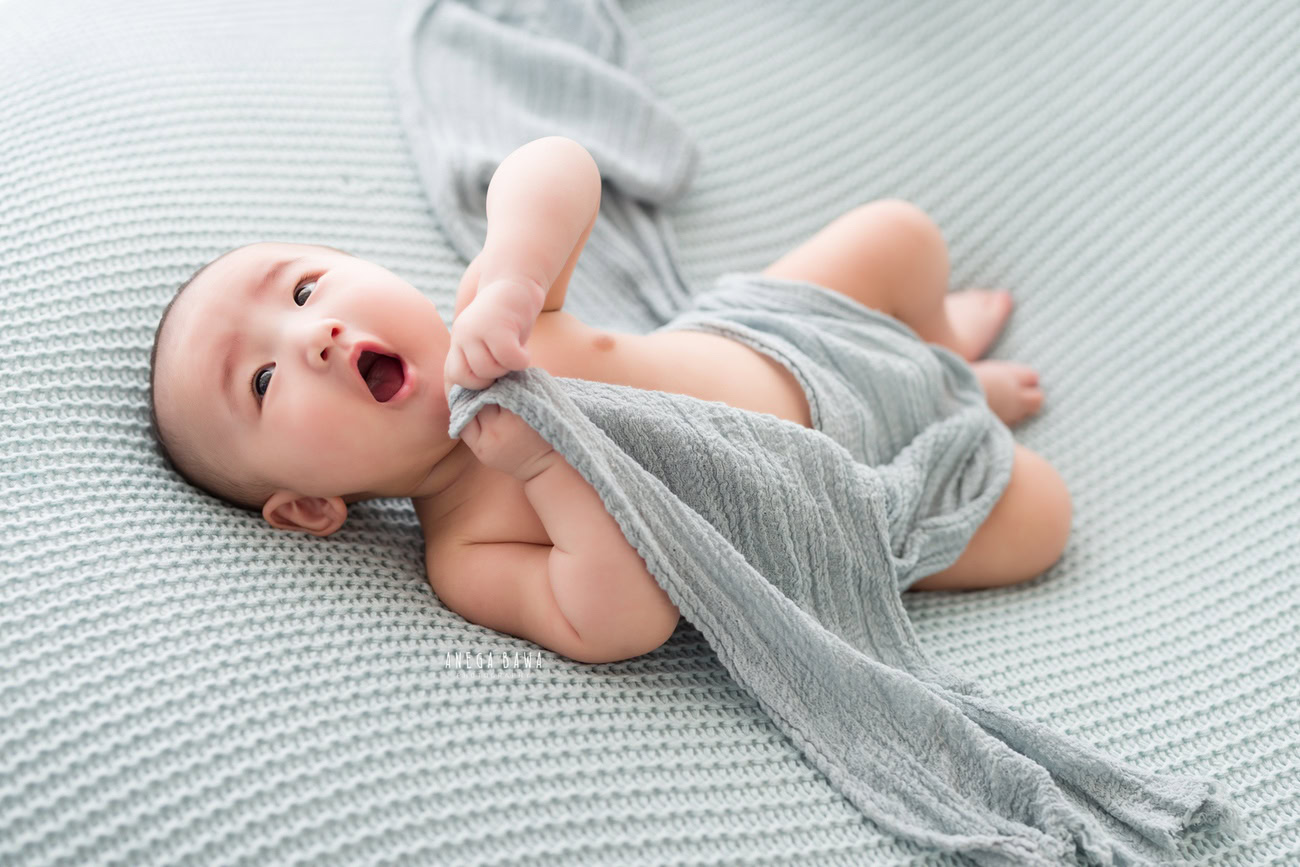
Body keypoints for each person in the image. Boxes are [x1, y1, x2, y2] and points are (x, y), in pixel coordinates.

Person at [148, 136, 1071, 664]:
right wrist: (547, 466)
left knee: (897, 234)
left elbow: (557, 166)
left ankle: (938, 352)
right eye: (262, 381)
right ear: (310, 507)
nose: (311, 335)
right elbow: (619, 623)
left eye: (307, 289)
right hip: (828, 502)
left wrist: (516, 265)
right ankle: (957, 408)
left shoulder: (495, 310)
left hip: (776, 340)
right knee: (1042, 517)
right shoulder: (466, 552)